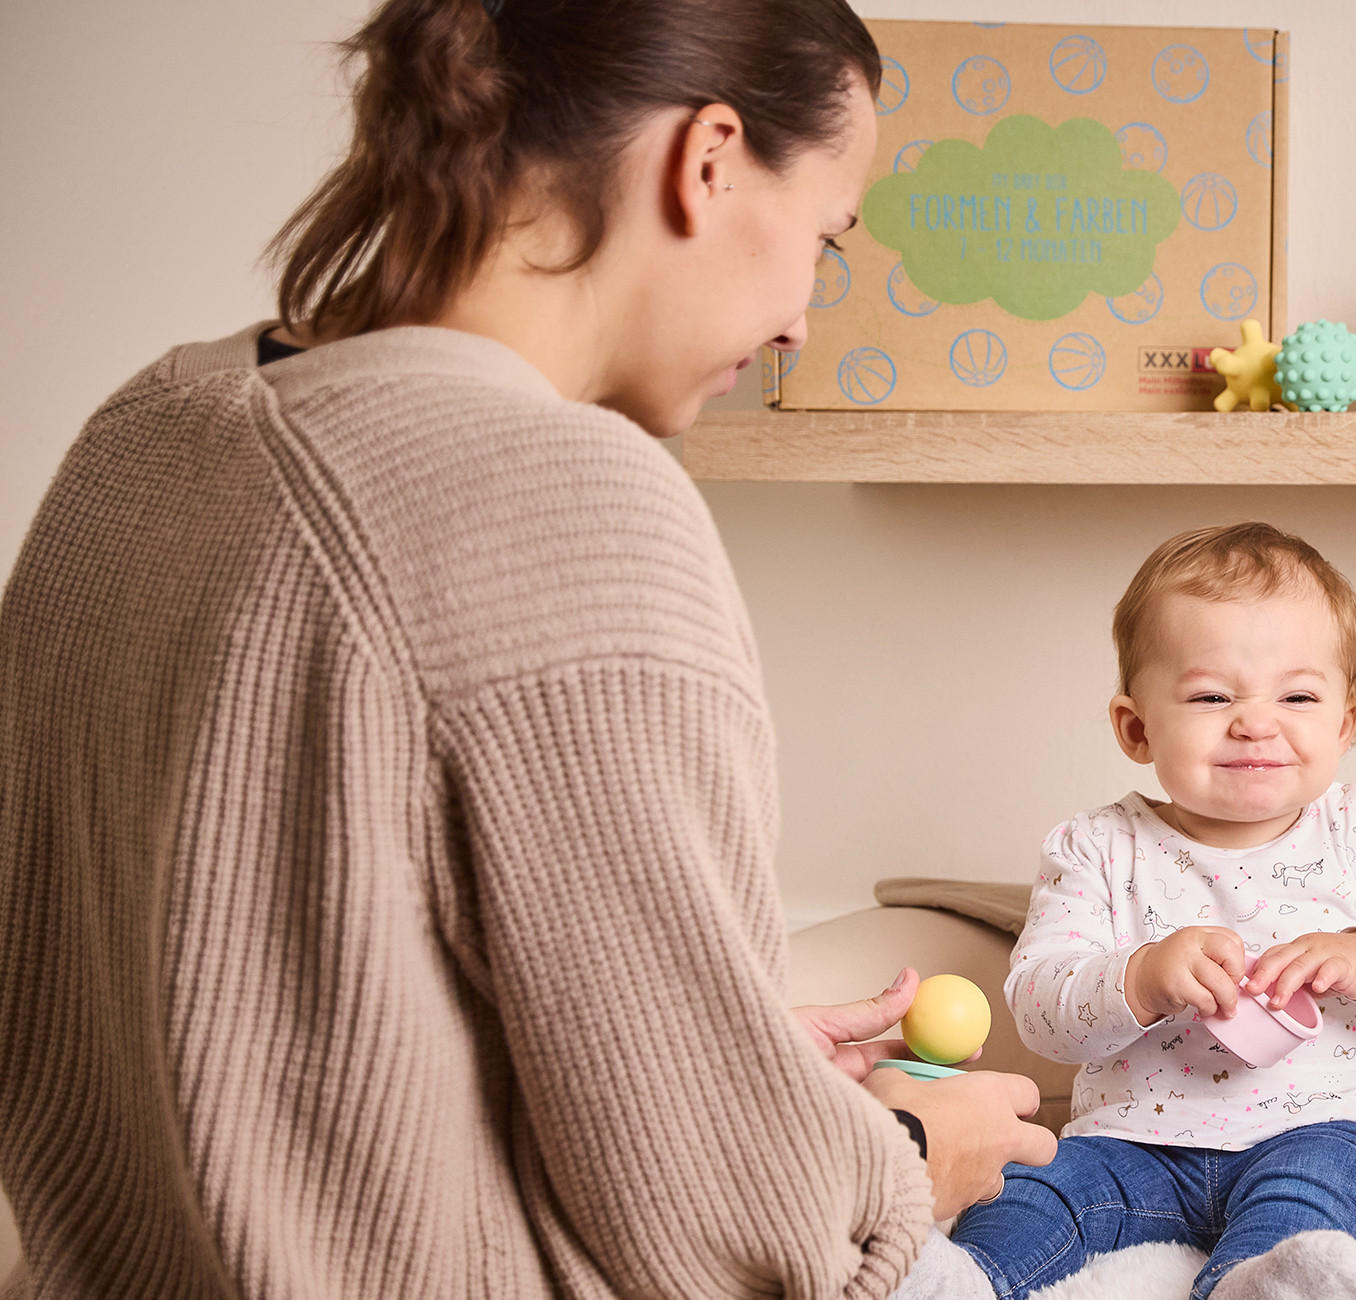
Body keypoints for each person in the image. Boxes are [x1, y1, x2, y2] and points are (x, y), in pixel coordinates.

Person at [0, 1, 1052, 1295]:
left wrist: (725, 1051)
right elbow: (727, 1231)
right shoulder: (565, 499)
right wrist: (897, 1153)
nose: (797, 324)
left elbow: (240, 987)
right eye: (824, 244)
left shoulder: (151, 426)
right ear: (706, 158)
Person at [905, 524, 1356, 1300]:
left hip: (1327, 1129)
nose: (1256, 721)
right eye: (1211, 696)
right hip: (1133, 1145)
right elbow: (1040, 1010)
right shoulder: (1100, 848)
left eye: (1297, 695)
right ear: (1136, 727)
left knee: (1316, 1198)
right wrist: (1139, 979)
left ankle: (1257, 1286)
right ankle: (955, 1281)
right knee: (1035, 1183)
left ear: (1345, 719)